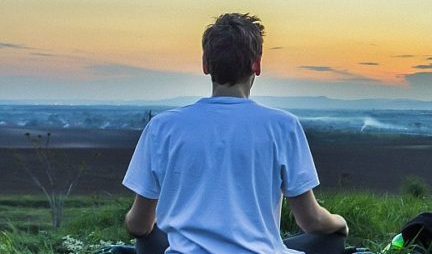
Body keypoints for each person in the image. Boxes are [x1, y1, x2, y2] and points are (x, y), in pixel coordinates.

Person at [122, 13, 349, 254]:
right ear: (257, 65)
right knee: (331, 239)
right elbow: (311, 221)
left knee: (148, 238)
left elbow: (139, 225)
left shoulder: (162, 127)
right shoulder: (283, 126)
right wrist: (340, 222)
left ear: (205, 65)